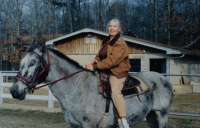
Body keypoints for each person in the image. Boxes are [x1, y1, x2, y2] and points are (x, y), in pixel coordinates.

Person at [85, 18, 131, 128]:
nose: (111, 28)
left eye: (114, 26)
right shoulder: (106, 41)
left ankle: (123, 121)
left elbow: (112, 61)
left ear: (119, 29)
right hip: (105, 69)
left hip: (117, 71)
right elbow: (101, 54)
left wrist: (95, 66)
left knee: (115, 91)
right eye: (110, 26)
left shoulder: (120, 42)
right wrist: (96, 59)